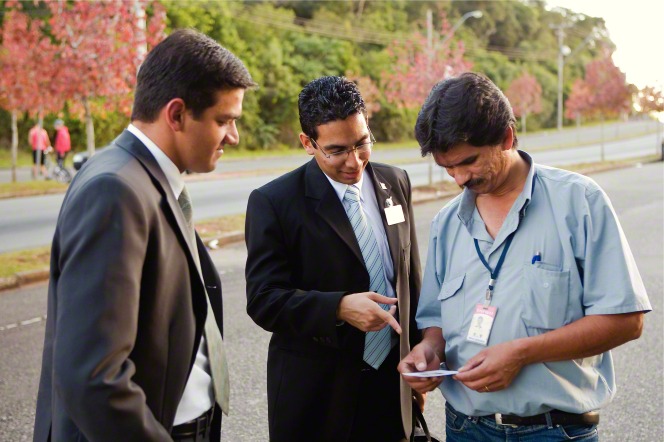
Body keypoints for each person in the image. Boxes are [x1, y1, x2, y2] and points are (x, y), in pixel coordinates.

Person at [398, 72, 651, 441]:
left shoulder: (580, 202)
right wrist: (429, 351)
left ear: (507, 137)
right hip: (465, 428)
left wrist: (522, 353)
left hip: (553, 431)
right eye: (447, 167)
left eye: (468, 162)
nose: (458, 179)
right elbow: (435, 320)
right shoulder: (446, 223)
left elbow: (626, 320)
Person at [34, 29, 255, 442]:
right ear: (176, 115)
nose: (233, 137)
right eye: (223, 121)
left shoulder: (143, 177)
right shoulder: (114, 189)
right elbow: (92, 376)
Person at [245, 76, 422, 442]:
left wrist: (416, 359)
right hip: (318, 397)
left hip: (391, 385)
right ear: (308, 143)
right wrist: (338, 308)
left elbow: (409, 277)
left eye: (362, 143)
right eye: (337, 150)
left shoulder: (395, 182)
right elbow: (264, 301)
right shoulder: (274, 203)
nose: (354, 161)